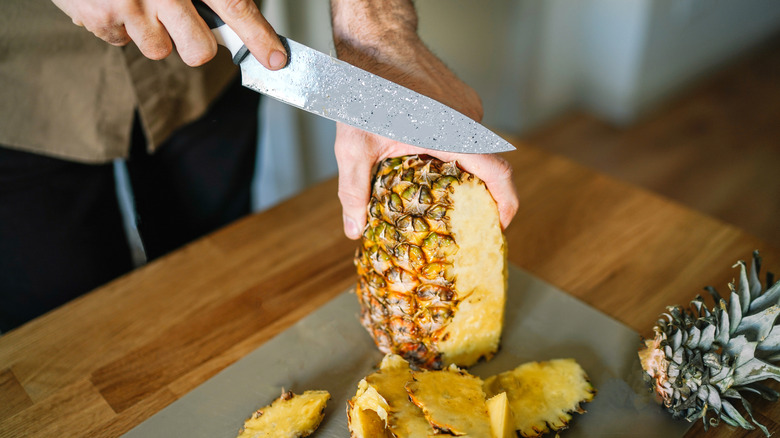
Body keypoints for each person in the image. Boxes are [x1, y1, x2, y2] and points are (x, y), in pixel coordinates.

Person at [0, 0, 518, 332]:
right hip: (22, 89)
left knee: (217, 289)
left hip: (215, 50)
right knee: (62, 328)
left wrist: (375, 29)